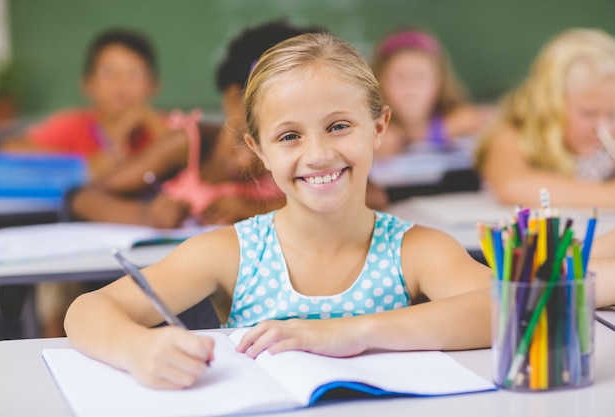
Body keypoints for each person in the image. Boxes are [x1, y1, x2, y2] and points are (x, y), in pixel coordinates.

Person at [64, 32, 491, 390]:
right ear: (258, 149)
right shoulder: (232, 251)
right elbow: (87, 310)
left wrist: (353, 333)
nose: (319, 154)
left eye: (339, 126)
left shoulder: (414, 249)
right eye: (289, 136)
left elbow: (514, 308)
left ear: (378, 127)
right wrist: (137, 349)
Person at [68, 21, 323, 228]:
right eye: (277, 105)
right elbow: (83, 198)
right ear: (233, 99)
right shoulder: (189, 144)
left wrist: (261, 210)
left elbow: (361, 196)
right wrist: (145, 214)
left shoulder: (297, 154)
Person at [0, 28, 166, 179]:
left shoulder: (163, 126)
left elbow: (189, 155)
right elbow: (10, 150)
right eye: (108, 72)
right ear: (88, 84)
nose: (121, 83)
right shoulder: (73, 126)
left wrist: (151, 123)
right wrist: (87, 165)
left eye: (133, 73)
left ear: (153, 86)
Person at [475, 28, 615, 208]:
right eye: (589, 113)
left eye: (613, 114)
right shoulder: (515, 132)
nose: (603, 127)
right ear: (550, 103)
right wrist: (609, 195)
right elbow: (511, 186)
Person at [371, 28, 492, 158]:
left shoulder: (461, 118)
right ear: (379, 81)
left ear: (439, 82)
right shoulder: (370, 130)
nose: (411, 87)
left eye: (421, 76)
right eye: (400, 77)